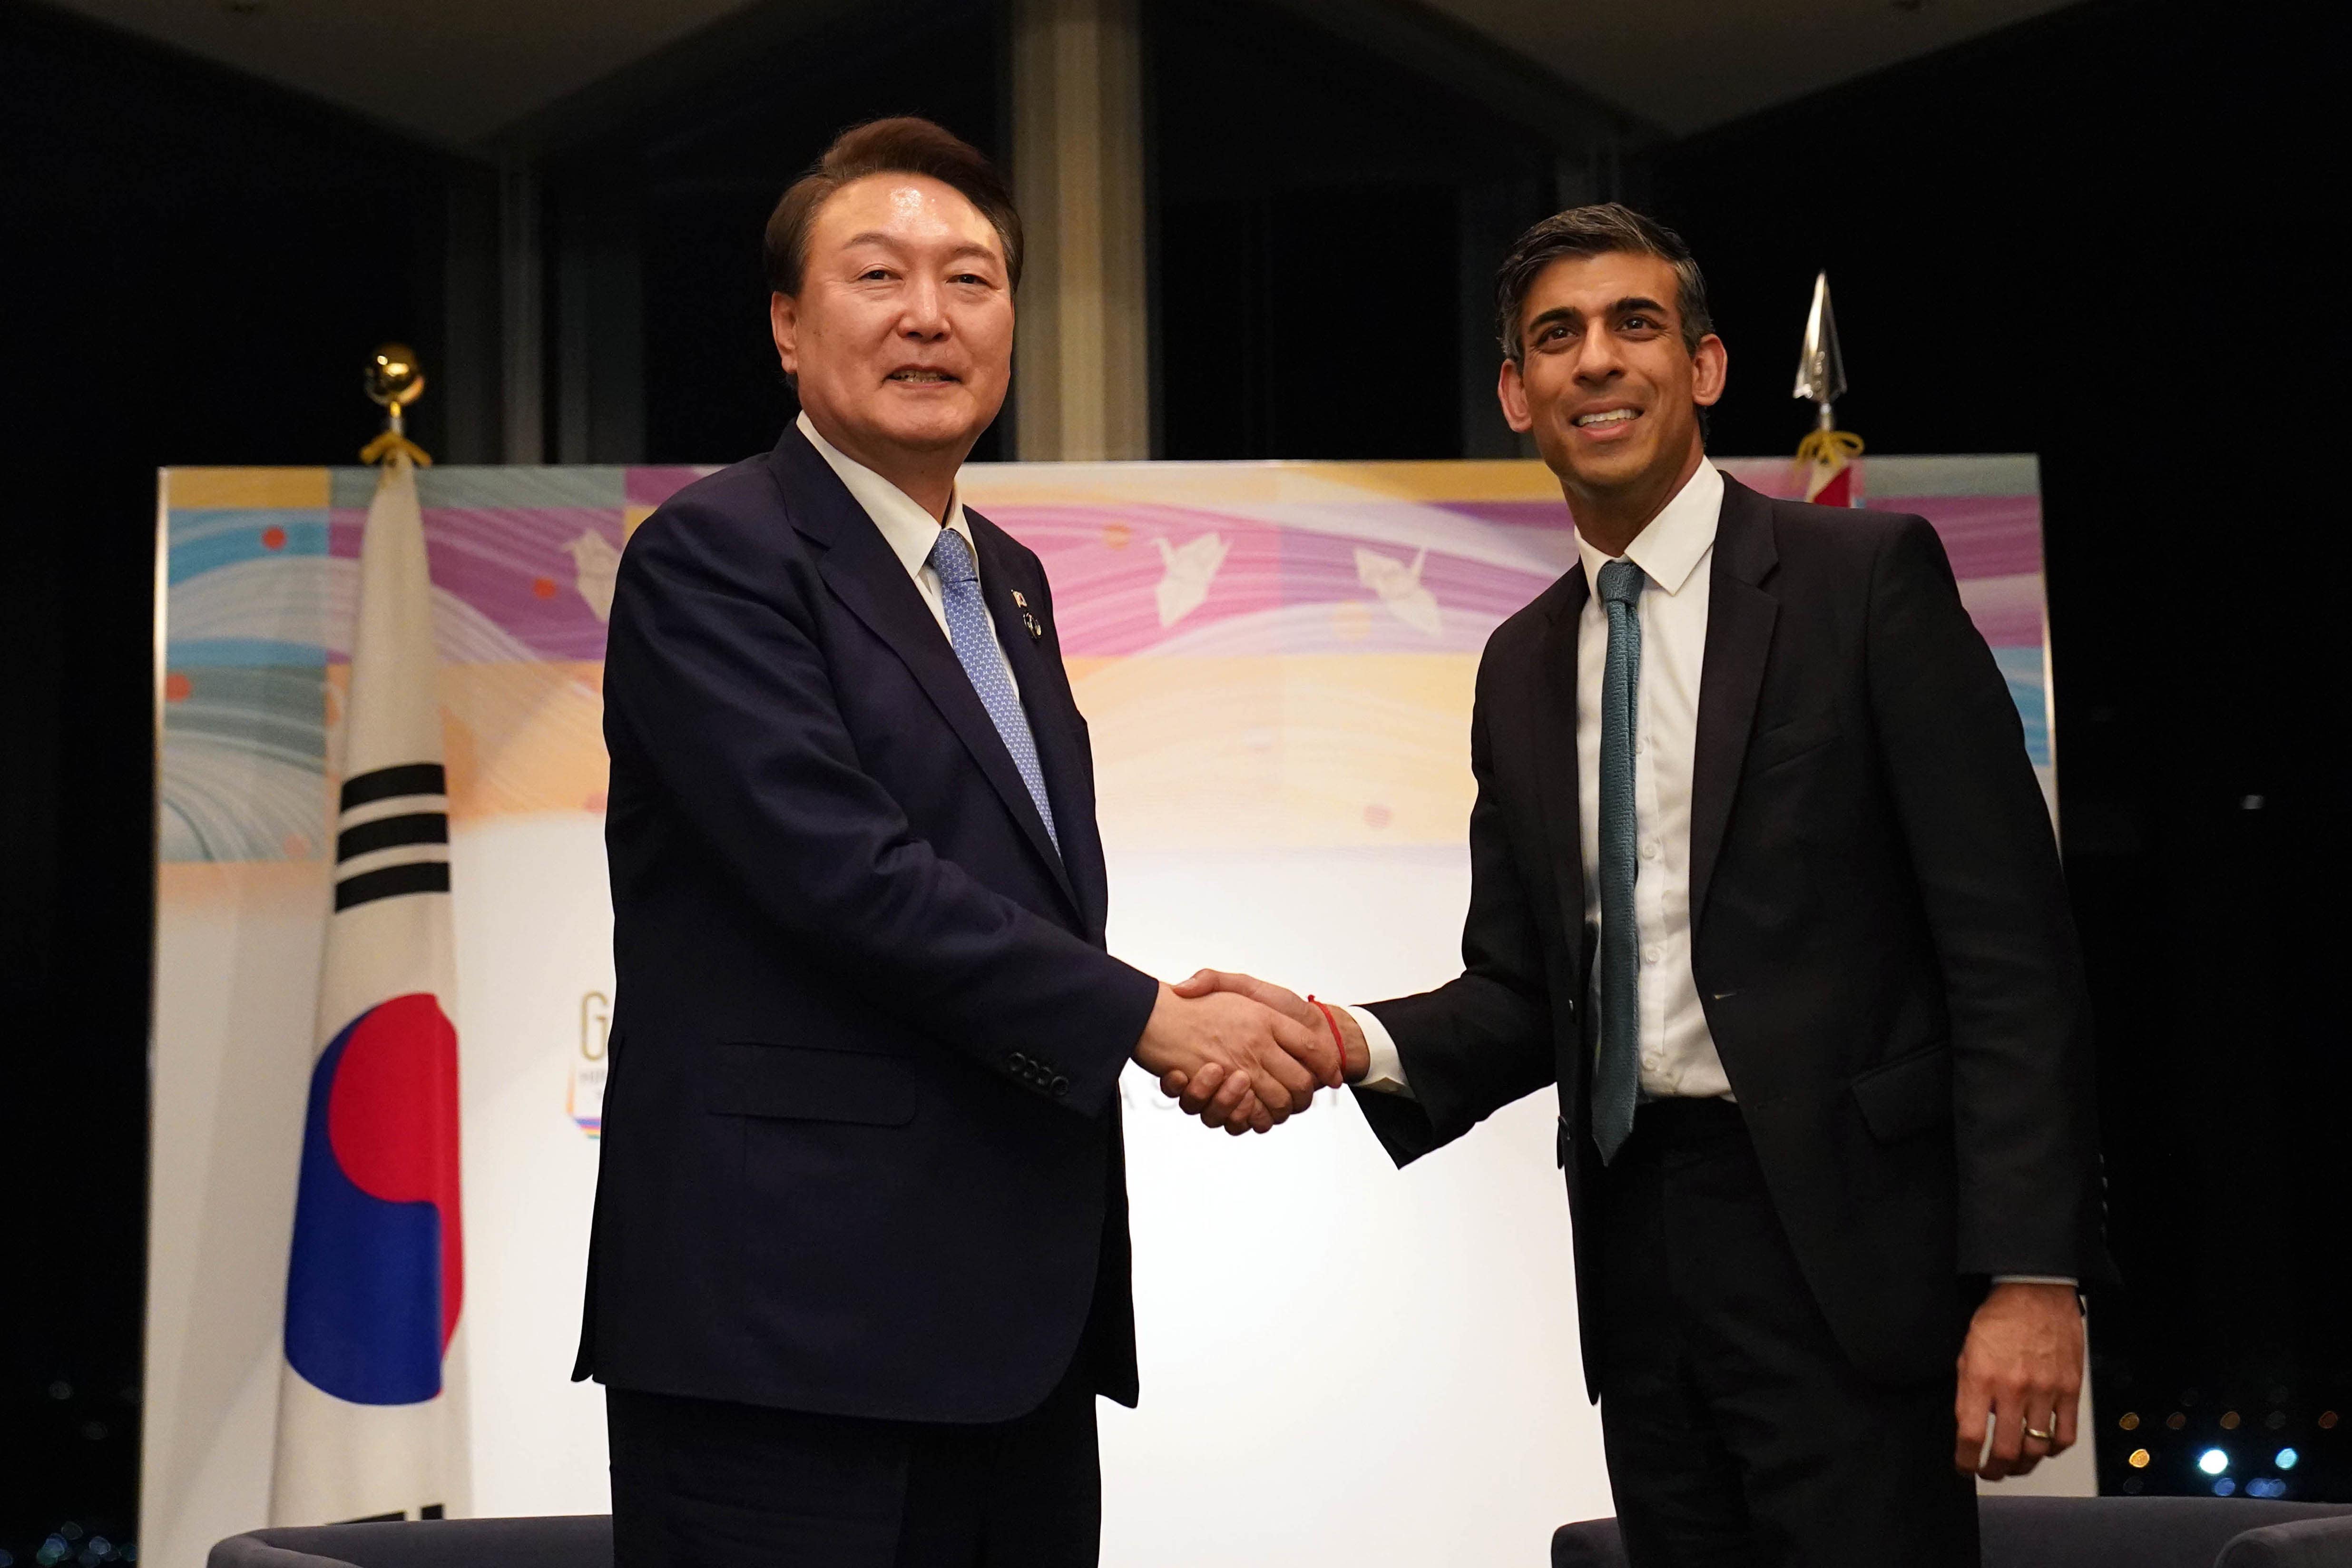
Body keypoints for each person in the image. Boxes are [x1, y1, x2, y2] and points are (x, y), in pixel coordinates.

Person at [1176, 204, 2108, 1566]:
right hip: (1641, 1260)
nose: (1596, 362)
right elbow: (1523, 991)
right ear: (1516, 394)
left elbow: (2014, 955)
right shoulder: (1518, 662)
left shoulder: (1865, 583)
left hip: (1852, 1263)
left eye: (1635, 326)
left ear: (1708, 367)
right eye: (1557, 339)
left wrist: (2034, 1279)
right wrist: (1334, 1040)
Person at [575, 117, 1334, 1568]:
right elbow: (842, 876)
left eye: (973, 280)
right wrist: (1151, 1026)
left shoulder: (1012, 581)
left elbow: (999, 891)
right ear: (790, 328)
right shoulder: (716, 553)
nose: (932, 314)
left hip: (1013, 1339)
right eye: (880, 275)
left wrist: (1157, 1012)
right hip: (792, 1340)